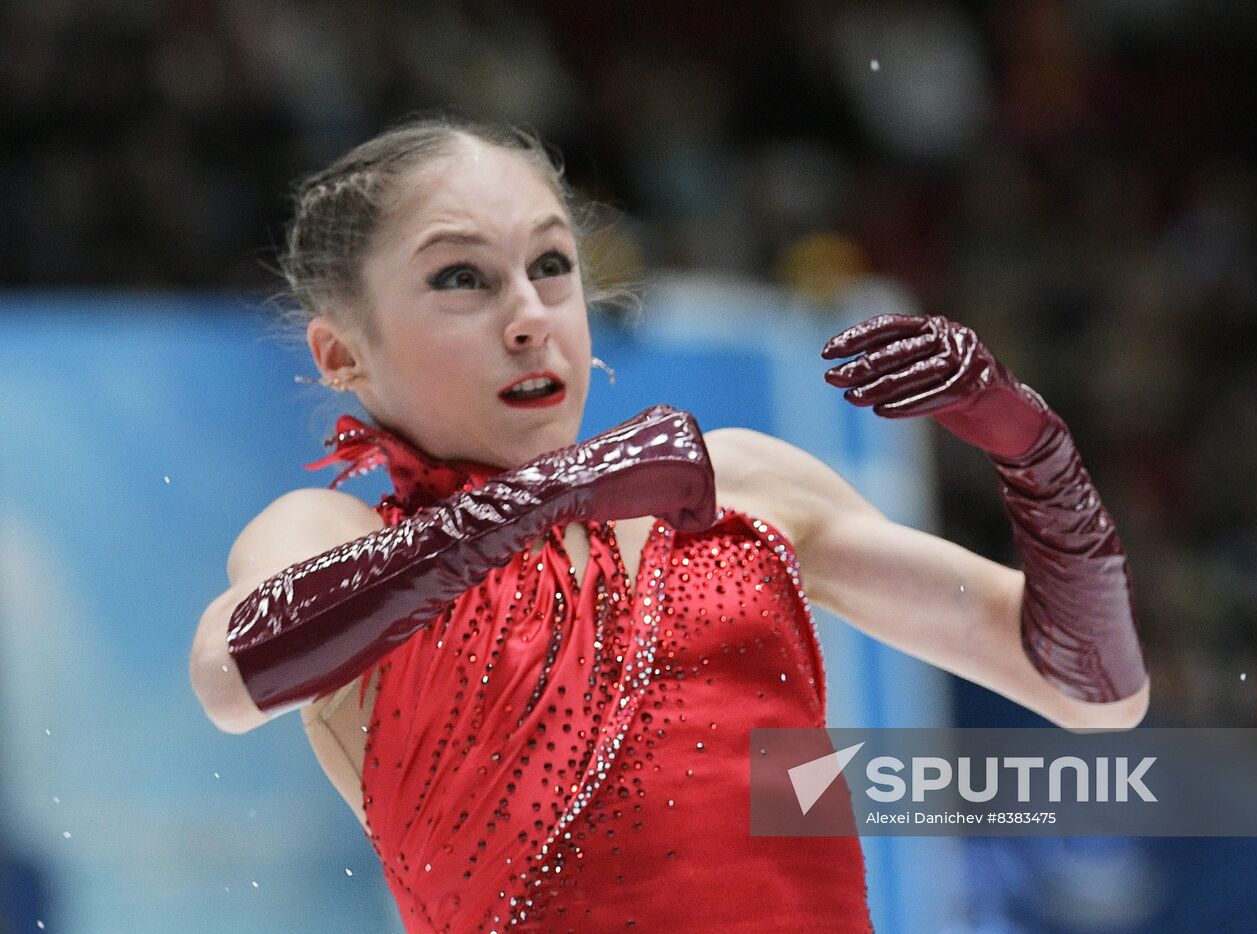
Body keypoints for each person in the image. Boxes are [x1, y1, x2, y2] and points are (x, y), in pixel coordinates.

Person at [187, 115, 1149, 933]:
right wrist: (561, 494)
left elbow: (1093, 690)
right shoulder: (326, 534)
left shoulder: (740, 487)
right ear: (340, 352)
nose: (530, 316)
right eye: (460, 280)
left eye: (553, 265)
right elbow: (238, 676)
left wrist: (1036, 454)